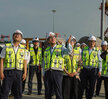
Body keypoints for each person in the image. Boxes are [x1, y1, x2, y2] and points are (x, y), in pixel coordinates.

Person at [0, 30, 27, 99]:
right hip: (8, 72)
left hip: (19, 73)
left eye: (19, 35)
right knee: (4, 92)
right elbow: (2, 60)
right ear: (13, 37)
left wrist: (25, 72)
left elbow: (25, 61)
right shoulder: (6, 47)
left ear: (21, 38)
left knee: (18, 93)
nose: (17, 35)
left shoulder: (23, 49)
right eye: (15, 34)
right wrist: (1, 72)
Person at [43, 32, 71, 99]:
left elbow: (69, 51)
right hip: (48, 72)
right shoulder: (46, 50)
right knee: (47, 92)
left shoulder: (61, 48)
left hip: (57, 72)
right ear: (48, 40)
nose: (53, 39)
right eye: (51, 38)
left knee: (58, 92)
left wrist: (68, 43)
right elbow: (44, 63)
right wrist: (43, 74)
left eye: (54, 37)